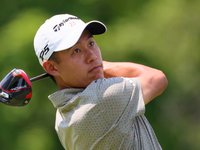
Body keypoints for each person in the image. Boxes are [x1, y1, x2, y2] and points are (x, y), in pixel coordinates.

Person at [33, 14, 168, 150]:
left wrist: (92, 66)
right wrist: (98, 65)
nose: (92, 56)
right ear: (51, 67)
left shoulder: (62, 115)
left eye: (91, 43)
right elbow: (156, 79)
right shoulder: (102, 97)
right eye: (76, 51)